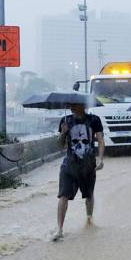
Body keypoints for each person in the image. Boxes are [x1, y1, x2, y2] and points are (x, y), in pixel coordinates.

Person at [54, 102, 104, 241]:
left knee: (88, 195)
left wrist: (100, 159)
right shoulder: (65, 121)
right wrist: (63, 133)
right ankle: (59, 229)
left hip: (88, 165)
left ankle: (89, 220)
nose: (72, 107)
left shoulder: (94, 120)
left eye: (75, 104)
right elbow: (59, 146)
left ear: (83, 105)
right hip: (69, 165)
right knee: (63, 195)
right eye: (70, 105)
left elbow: (100, 140)